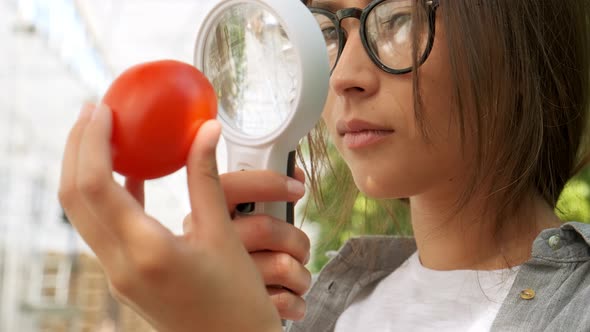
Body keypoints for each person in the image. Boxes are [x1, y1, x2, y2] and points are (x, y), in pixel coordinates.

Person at [58, 0, 590, 331]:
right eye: (328, 31)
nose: (344, 76)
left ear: (518, 31)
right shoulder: (322, 307)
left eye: (398, 18)